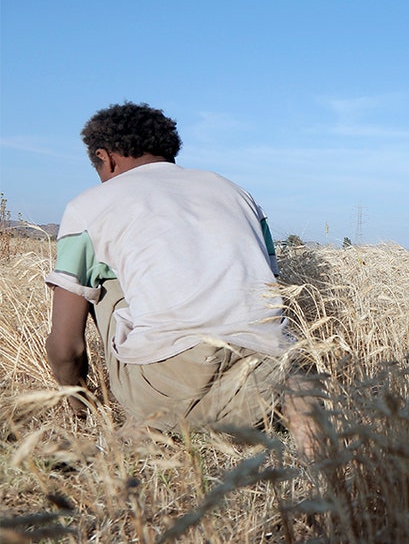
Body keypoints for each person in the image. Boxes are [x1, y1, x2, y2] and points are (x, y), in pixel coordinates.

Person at [44, 102, 314, 447]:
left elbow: (66, 347)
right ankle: (298, 412)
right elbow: (269, 290)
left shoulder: (90, 205)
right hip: (265, 383)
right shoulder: (237, 194)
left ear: (106, 158)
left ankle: (153, 424)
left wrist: (79, 407)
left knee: (103, 281)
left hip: (163, 392)